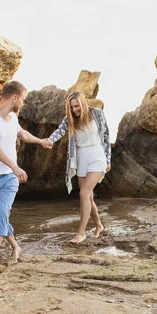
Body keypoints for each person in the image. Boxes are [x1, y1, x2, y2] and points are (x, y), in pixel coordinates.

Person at [0, 80, 52, 262]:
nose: (23, 103)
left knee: (2, 213)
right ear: (14, 98)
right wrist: (15, 166)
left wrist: (40, 141)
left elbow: (23, 134)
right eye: (23, 99)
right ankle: (16, 246)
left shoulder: (14, 119)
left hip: (10, 177)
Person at [42, 91, 111, 244]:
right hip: (81, 158)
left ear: (82, 103)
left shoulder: (97, 114)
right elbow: (59, 131)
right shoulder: (70, 119)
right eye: (72, 107)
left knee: (84, 194)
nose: (75, 110)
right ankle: (99, 226)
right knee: (88, 196)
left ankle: (81, 233)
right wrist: (49, 139)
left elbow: (106, 136)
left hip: (97, 155)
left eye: (76, 106)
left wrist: (108, 160)